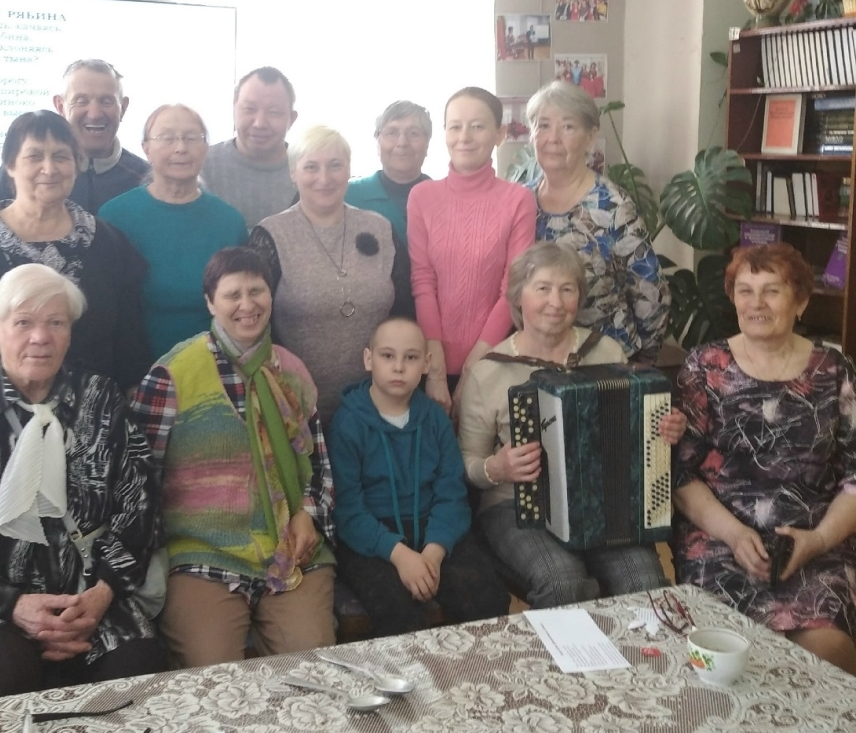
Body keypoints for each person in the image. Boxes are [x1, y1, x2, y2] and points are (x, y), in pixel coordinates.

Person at [0, 264, 164, 700]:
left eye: (56, 323)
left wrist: (101, 595)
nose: (41, 337)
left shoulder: (102, 400)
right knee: (7, 675)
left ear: (70, 332)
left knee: (140, 674)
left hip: (92, 599)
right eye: (24, 322)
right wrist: (15, 606)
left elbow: (139, 508)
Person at [132, 247, 336, 668]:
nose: (247, 304)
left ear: (271, 295)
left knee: (314, 669)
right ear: (210, 302)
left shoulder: (293, 371)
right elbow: (138, 479)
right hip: (202, 556)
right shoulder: (172, 375)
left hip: (291, 549)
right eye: (232, 294)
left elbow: (318, 464)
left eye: (256, 291)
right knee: (213, 675)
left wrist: (308, 514)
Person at [458, 242, 686, 607]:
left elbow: (637, 435)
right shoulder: (489, 371)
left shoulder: (606, 352)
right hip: (516, 507)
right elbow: (467, 462)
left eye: (567, 289)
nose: (556, 302)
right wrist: (496, 468)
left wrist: (665, 428)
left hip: (606, 504)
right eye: (542, 288)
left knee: (644, 582)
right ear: (518, 297)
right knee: (563, 582)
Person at [673, 243, 856, 674]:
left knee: (828, 651)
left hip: (815, 540)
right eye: (745, 290)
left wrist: (818, 541)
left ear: (801, 302)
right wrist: (735, 535)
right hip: (720, 539)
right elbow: (680, 475)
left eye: (772, 291)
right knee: (726, 654)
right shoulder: (704, 367)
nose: (756, 303)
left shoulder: (834, 370)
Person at [0, 110, 150, 393]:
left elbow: (129, 341)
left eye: (61, 156)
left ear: (76, 165)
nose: (49, 168)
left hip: (94, 408)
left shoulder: (106, 242)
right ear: (10, 165)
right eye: (34, 156)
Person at [329, 317, 509, 637]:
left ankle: (470, 666)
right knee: (396, 612)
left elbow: (452, 494)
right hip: (371, 538)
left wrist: (434, 552)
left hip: (432, 527)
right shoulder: (347, 424)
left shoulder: (435, 419)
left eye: (410, 357)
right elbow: (348, 510)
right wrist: (400, 556)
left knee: (486, 597)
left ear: (426, 364)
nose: (399, 367)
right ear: (368, 359)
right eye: (387, 356)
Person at [250, 125, 414, 427]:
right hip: (296, 406)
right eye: (311, 167)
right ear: (293, 173)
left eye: (335, 165)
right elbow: (256, 324)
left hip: (377, 405)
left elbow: (405, 312)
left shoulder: (380, 228)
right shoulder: (270, 235)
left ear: (349, 169)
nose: (324, 178)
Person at [408, 86, 536, 420]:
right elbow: (422, 281)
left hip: (495, 360)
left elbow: (513, 288)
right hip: (428, 361)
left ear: (500, 134)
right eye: (455, 126)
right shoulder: (422, 196)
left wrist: (471, 371)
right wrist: (435, 372)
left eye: (477, 126)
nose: (464, 137)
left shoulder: (518, 200)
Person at [527, 80, 668, 362]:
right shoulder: (521, 201)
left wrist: (642, 360)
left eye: (568, 126)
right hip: (537, 355)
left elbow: (650, 290)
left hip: (604, 358)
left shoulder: (612, 205)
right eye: (543, 125)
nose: (553, 138)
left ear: (590, 137)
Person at [99, 104, 248, 361]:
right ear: (146, 148)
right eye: (167, 138)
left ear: (205, 148)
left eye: (191, 138)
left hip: (214, 367)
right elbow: (104, 309)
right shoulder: (114, 216)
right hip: (132, 366)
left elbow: (241, 309)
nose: (180, 147)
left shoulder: (229, 222)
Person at [0, 59, 149, 215]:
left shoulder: (144, 178)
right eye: (81, 101)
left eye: (106, 101)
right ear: (60, 106)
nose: (94, 114)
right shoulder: (20, 173)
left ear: (123, 107)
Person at [201, 67, 299, 230]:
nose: (259, 123)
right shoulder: (201, 165)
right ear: (234, 109)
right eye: (249, 109)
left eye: (274, 112)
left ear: (292, 119)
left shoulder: (312, 173)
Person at [345, 100, 432, 246]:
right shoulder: (347, 196)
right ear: (377, 142)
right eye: (392, 133)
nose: (402, 142)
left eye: (413, 133)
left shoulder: (447, 200)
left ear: (427, 143)